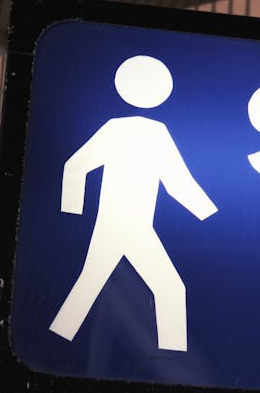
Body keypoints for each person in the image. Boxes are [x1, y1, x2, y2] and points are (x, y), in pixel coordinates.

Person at [49, 55, 217, 351]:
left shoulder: (122, 129)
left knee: (94, 282)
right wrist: (209, 216)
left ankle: (58, 339)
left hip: (125, 226)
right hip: (127, 227)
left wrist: (73, 209)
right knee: (168, 288)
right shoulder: (150, 133)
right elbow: (178, 183)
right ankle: (171, 353)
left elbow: (75, 166)